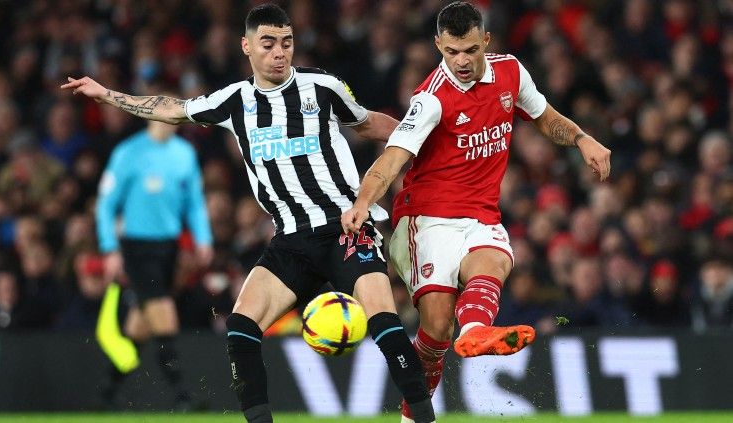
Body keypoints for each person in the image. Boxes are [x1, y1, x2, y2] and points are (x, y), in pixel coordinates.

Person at [62, 4, 437, 423]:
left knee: (383, 320)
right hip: (291, 240)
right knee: (241, 326)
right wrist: (105, 94)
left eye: (287, 43)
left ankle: (423, 418)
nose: (280, 52)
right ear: (247, 46)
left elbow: (368, 124)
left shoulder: (323, 87)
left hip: (346, 228)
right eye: (269, 43)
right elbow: (171, 108)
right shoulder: (234, 101)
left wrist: (425, 134)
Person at [340, 2, 611, 422]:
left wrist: (582, 139)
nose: (461, 61)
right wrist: (362, 201)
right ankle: (415, 410)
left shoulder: (511, 73)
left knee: (496, 259)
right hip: (425, 220)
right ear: (438, 46)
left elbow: (544, 116)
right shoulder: (430, 99)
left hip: (481, 215)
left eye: (469, 50)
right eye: (451, 52)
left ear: (486, 40)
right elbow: (392, 157)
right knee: (434, 333)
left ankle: (476, 333)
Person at [94, 117, 214, 409]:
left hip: (168, 248)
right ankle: (183, 395)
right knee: (163, 311)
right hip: (137, 247)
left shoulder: (184, 153)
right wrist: (110, 248)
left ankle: (108, 392)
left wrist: (203, 239)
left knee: (140, 324)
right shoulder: (129, 152)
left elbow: (194, 202)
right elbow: (106, 204)